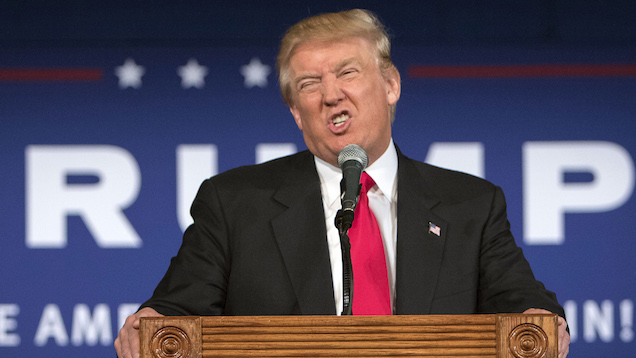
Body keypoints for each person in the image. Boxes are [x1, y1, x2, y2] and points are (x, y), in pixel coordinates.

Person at [115, 9, 570, 358]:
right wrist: (152, 322)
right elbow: (178, 310)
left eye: (347, 72)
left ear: (390, 84)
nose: (330, 93)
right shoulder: (234, 203)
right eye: (310, 83)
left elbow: (523, 302)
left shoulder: (471, 203)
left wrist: (540, 321)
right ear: (296, 112)